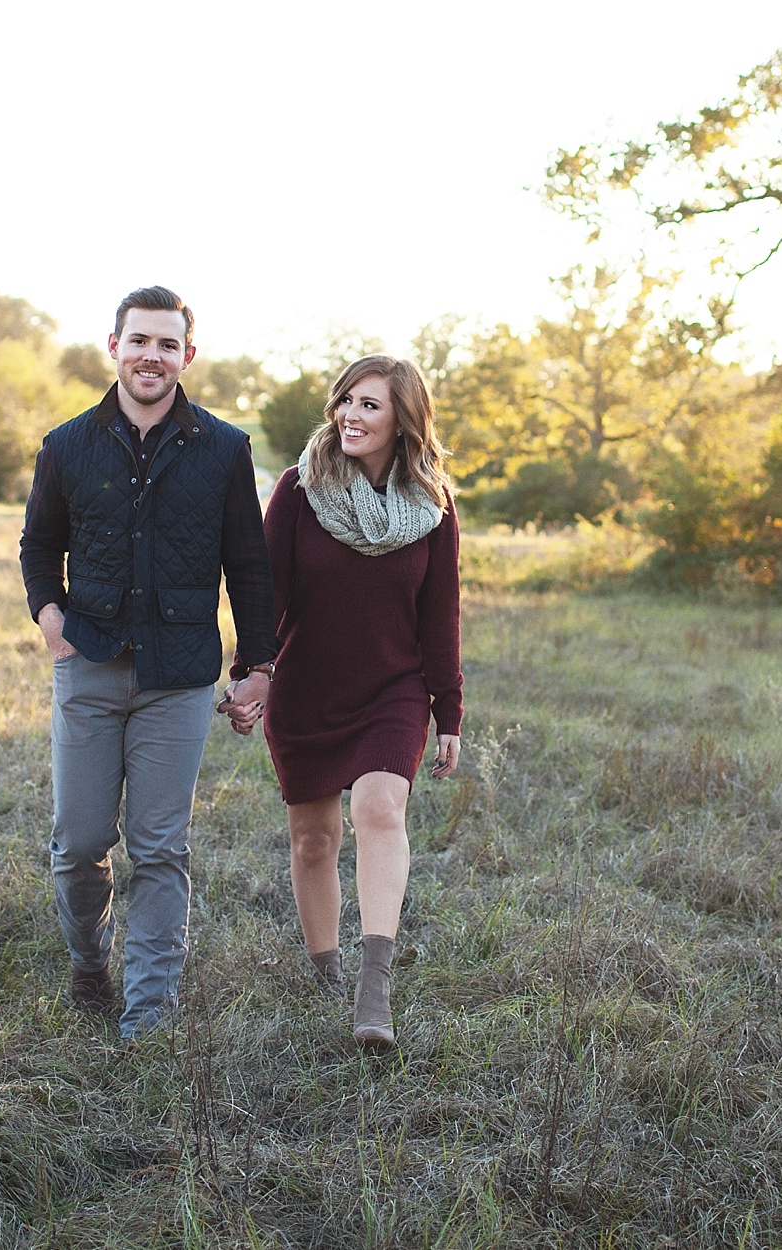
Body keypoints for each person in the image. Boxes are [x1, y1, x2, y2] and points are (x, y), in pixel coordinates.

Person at [19, 285, 277, 1040]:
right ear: (115, 347)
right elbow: (39, 544)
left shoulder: (225, 449)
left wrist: (256, 665)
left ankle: (148, 1015)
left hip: (181, 676)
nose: (152, 357)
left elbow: (248, 564)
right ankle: (89, 964)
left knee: (161, 848)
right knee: (80, 845)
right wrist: (50, 618)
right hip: (90, 664)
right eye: (140, 341)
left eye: (168, 345)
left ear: (187, 356)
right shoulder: (66, 445)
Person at [231, 354, 462, 1048]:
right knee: (313, 841)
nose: (351, 417)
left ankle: (374, 984)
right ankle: (324, 972)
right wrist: (254, 672)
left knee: (378, 807)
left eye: (370, 406)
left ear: (403, 421)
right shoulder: (300, 491)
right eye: (347, 402)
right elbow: (267, 593)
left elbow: (440, 616)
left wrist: (446, 709)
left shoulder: (431, 508)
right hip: (308, 687)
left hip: (392, 688)